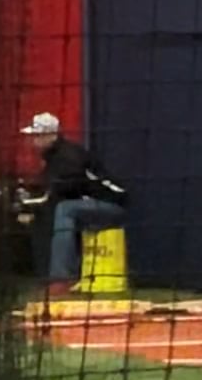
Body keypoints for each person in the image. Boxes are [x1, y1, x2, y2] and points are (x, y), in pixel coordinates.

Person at [19, 112, 128, 290]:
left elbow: (61, 192)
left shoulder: (68, 156)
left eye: (37, 135)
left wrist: (29, 206)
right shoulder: (52, 157)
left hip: (112, 205)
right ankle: (49, 275)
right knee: (53, 213)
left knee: (64, 209)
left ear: (51, 135)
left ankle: (62, 278)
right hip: (88, 205)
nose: (33, 140)